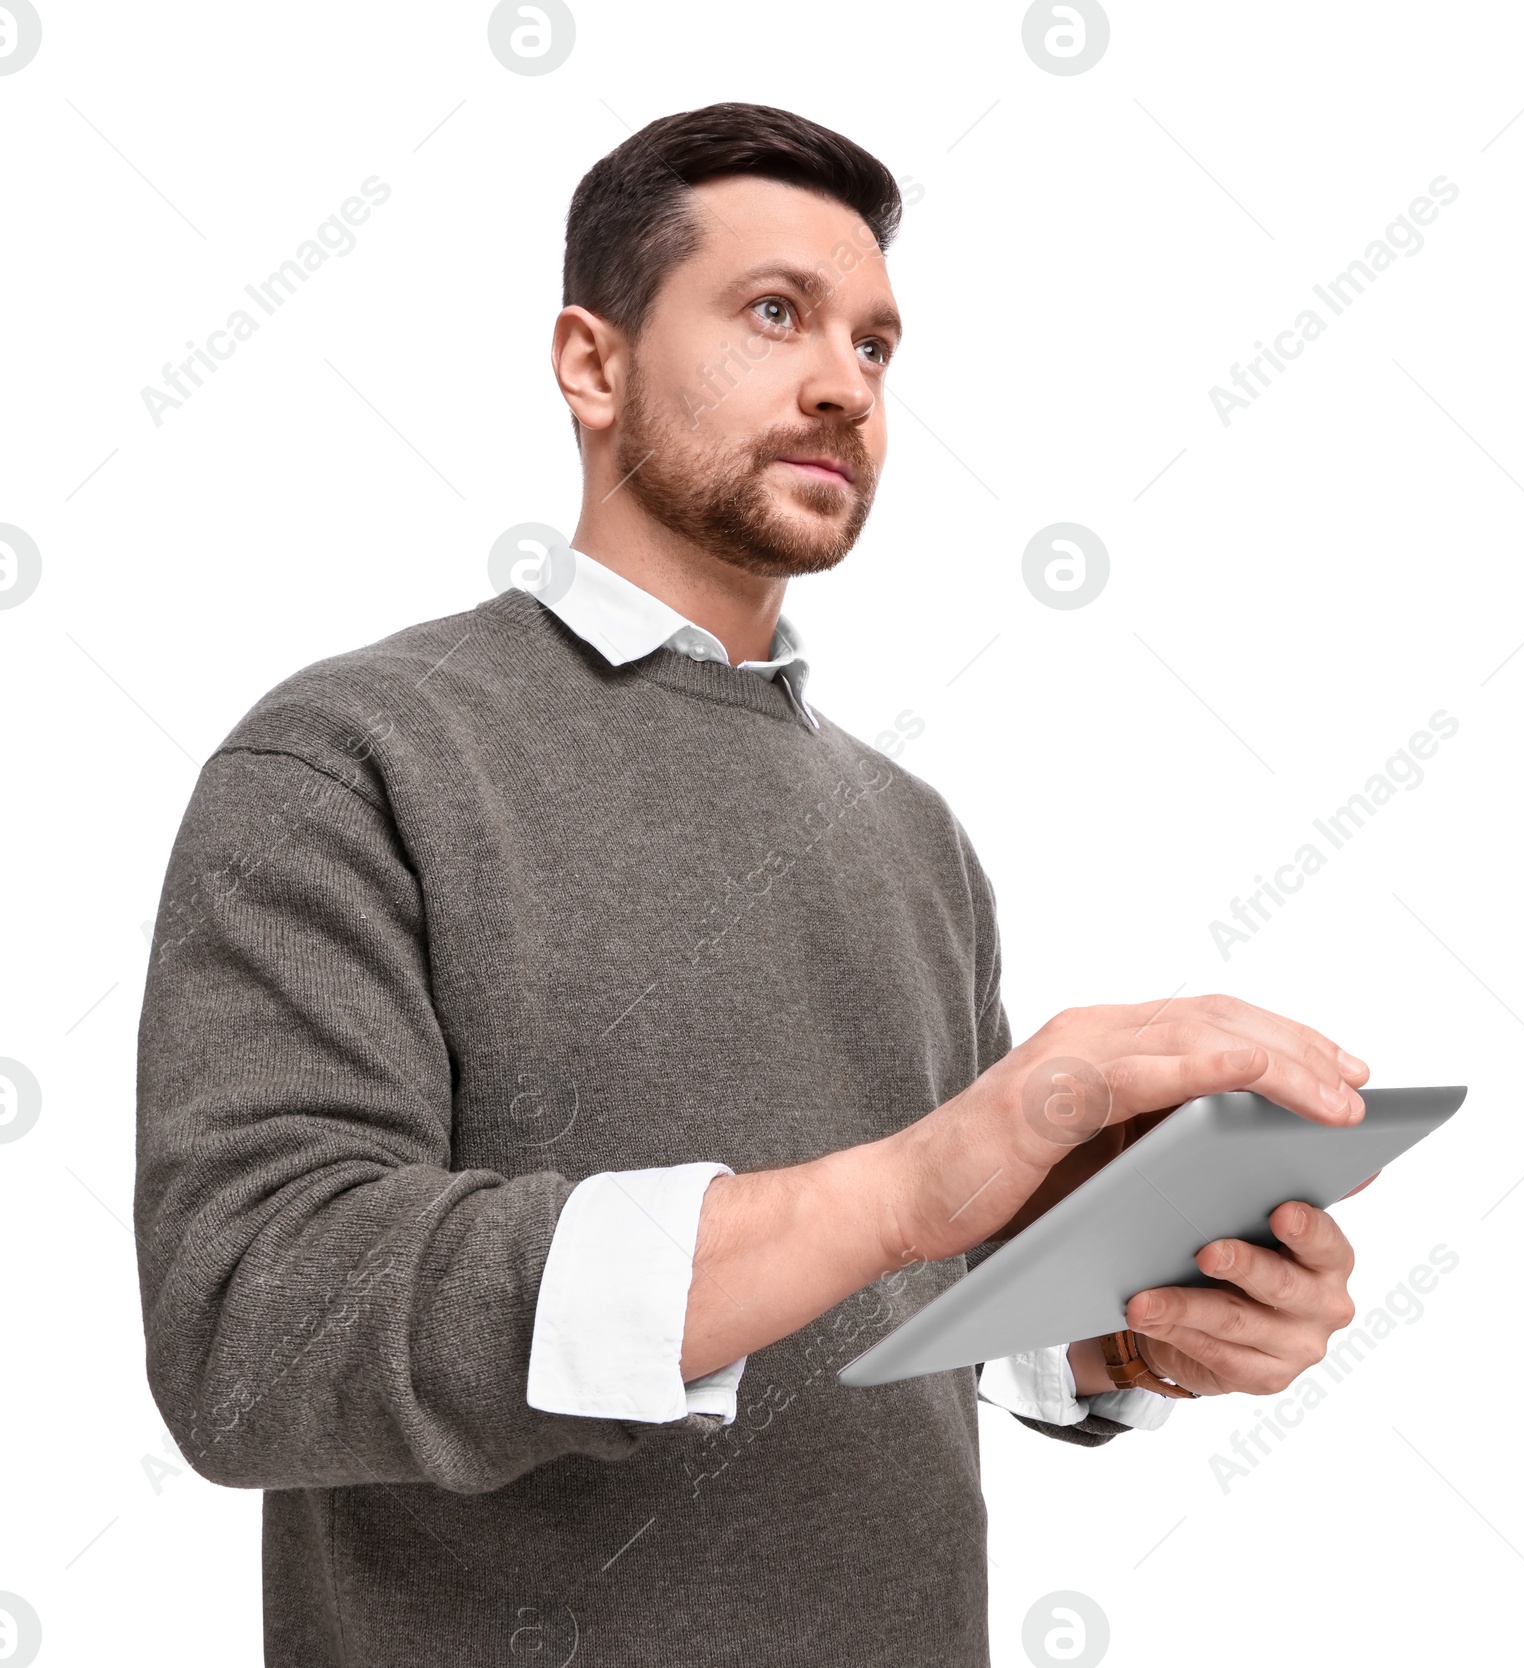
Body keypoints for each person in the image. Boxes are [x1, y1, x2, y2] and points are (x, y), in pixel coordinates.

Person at [134, 101, 1366, 1667]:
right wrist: (903, 1189)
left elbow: (908, 1302)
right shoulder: (352, 757)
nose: (841, 381)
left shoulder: (913, 832)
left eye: (876, 343)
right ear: (592, 364)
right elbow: (256, 1333)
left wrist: (1131, 1321)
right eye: (775, 314)